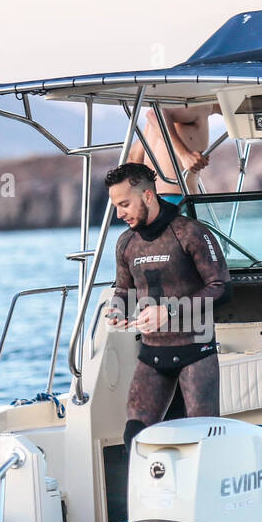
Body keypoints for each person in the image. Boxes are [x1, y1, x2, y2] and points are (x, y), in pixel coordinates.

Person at [105, 162, 232, 451]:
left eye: (124, 204)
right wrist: (117, 310)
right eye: (115, 206)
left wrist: (170, 310)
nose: (119, 213)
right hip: (152, 354)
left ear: (148, 196)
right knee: (134, 437)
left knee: (205, 440)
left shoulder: (190, 233)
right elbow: (124, 289)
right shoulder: (126, 243)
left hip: (195, 351)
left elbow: (221, 288)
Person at [126, 104, 219, 197]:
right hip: (176, 198)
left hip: (155, 200)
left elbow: (132, 158)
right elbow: (154, 114)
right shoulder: (202, 106)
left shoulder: (156, 125)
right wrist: (184, 155)